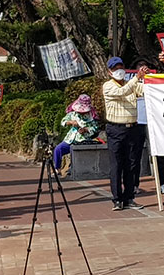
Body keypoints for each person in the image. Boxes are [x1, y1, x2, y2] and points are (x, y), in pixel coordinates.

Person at [102, 56, 147, 211]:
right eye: (115, 69)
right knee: (116, 165)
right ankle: (117, 198)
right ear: (109, 72)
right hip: (116, 129)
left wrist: (145, 78)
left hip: (132, 127)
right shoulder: (108, 86)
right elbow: (122, 92)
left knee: (131, 164)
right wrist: (136, 78)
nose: (118, 71)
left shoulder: (132, 84)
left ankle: (129, 197)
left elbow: (144, 91)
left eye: (120, 67)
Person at [53, 94, 100, 173]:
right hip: (70, 139)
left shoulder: (92, 116)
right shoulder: (73, 114)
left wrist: (85, 130)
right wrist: (70, 122)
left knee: (74, 151)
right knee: (58, 149)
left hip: (83, 140)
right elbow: (63, 121)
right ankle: (57, 169)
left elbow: (95, 129)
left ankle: (72, 169)